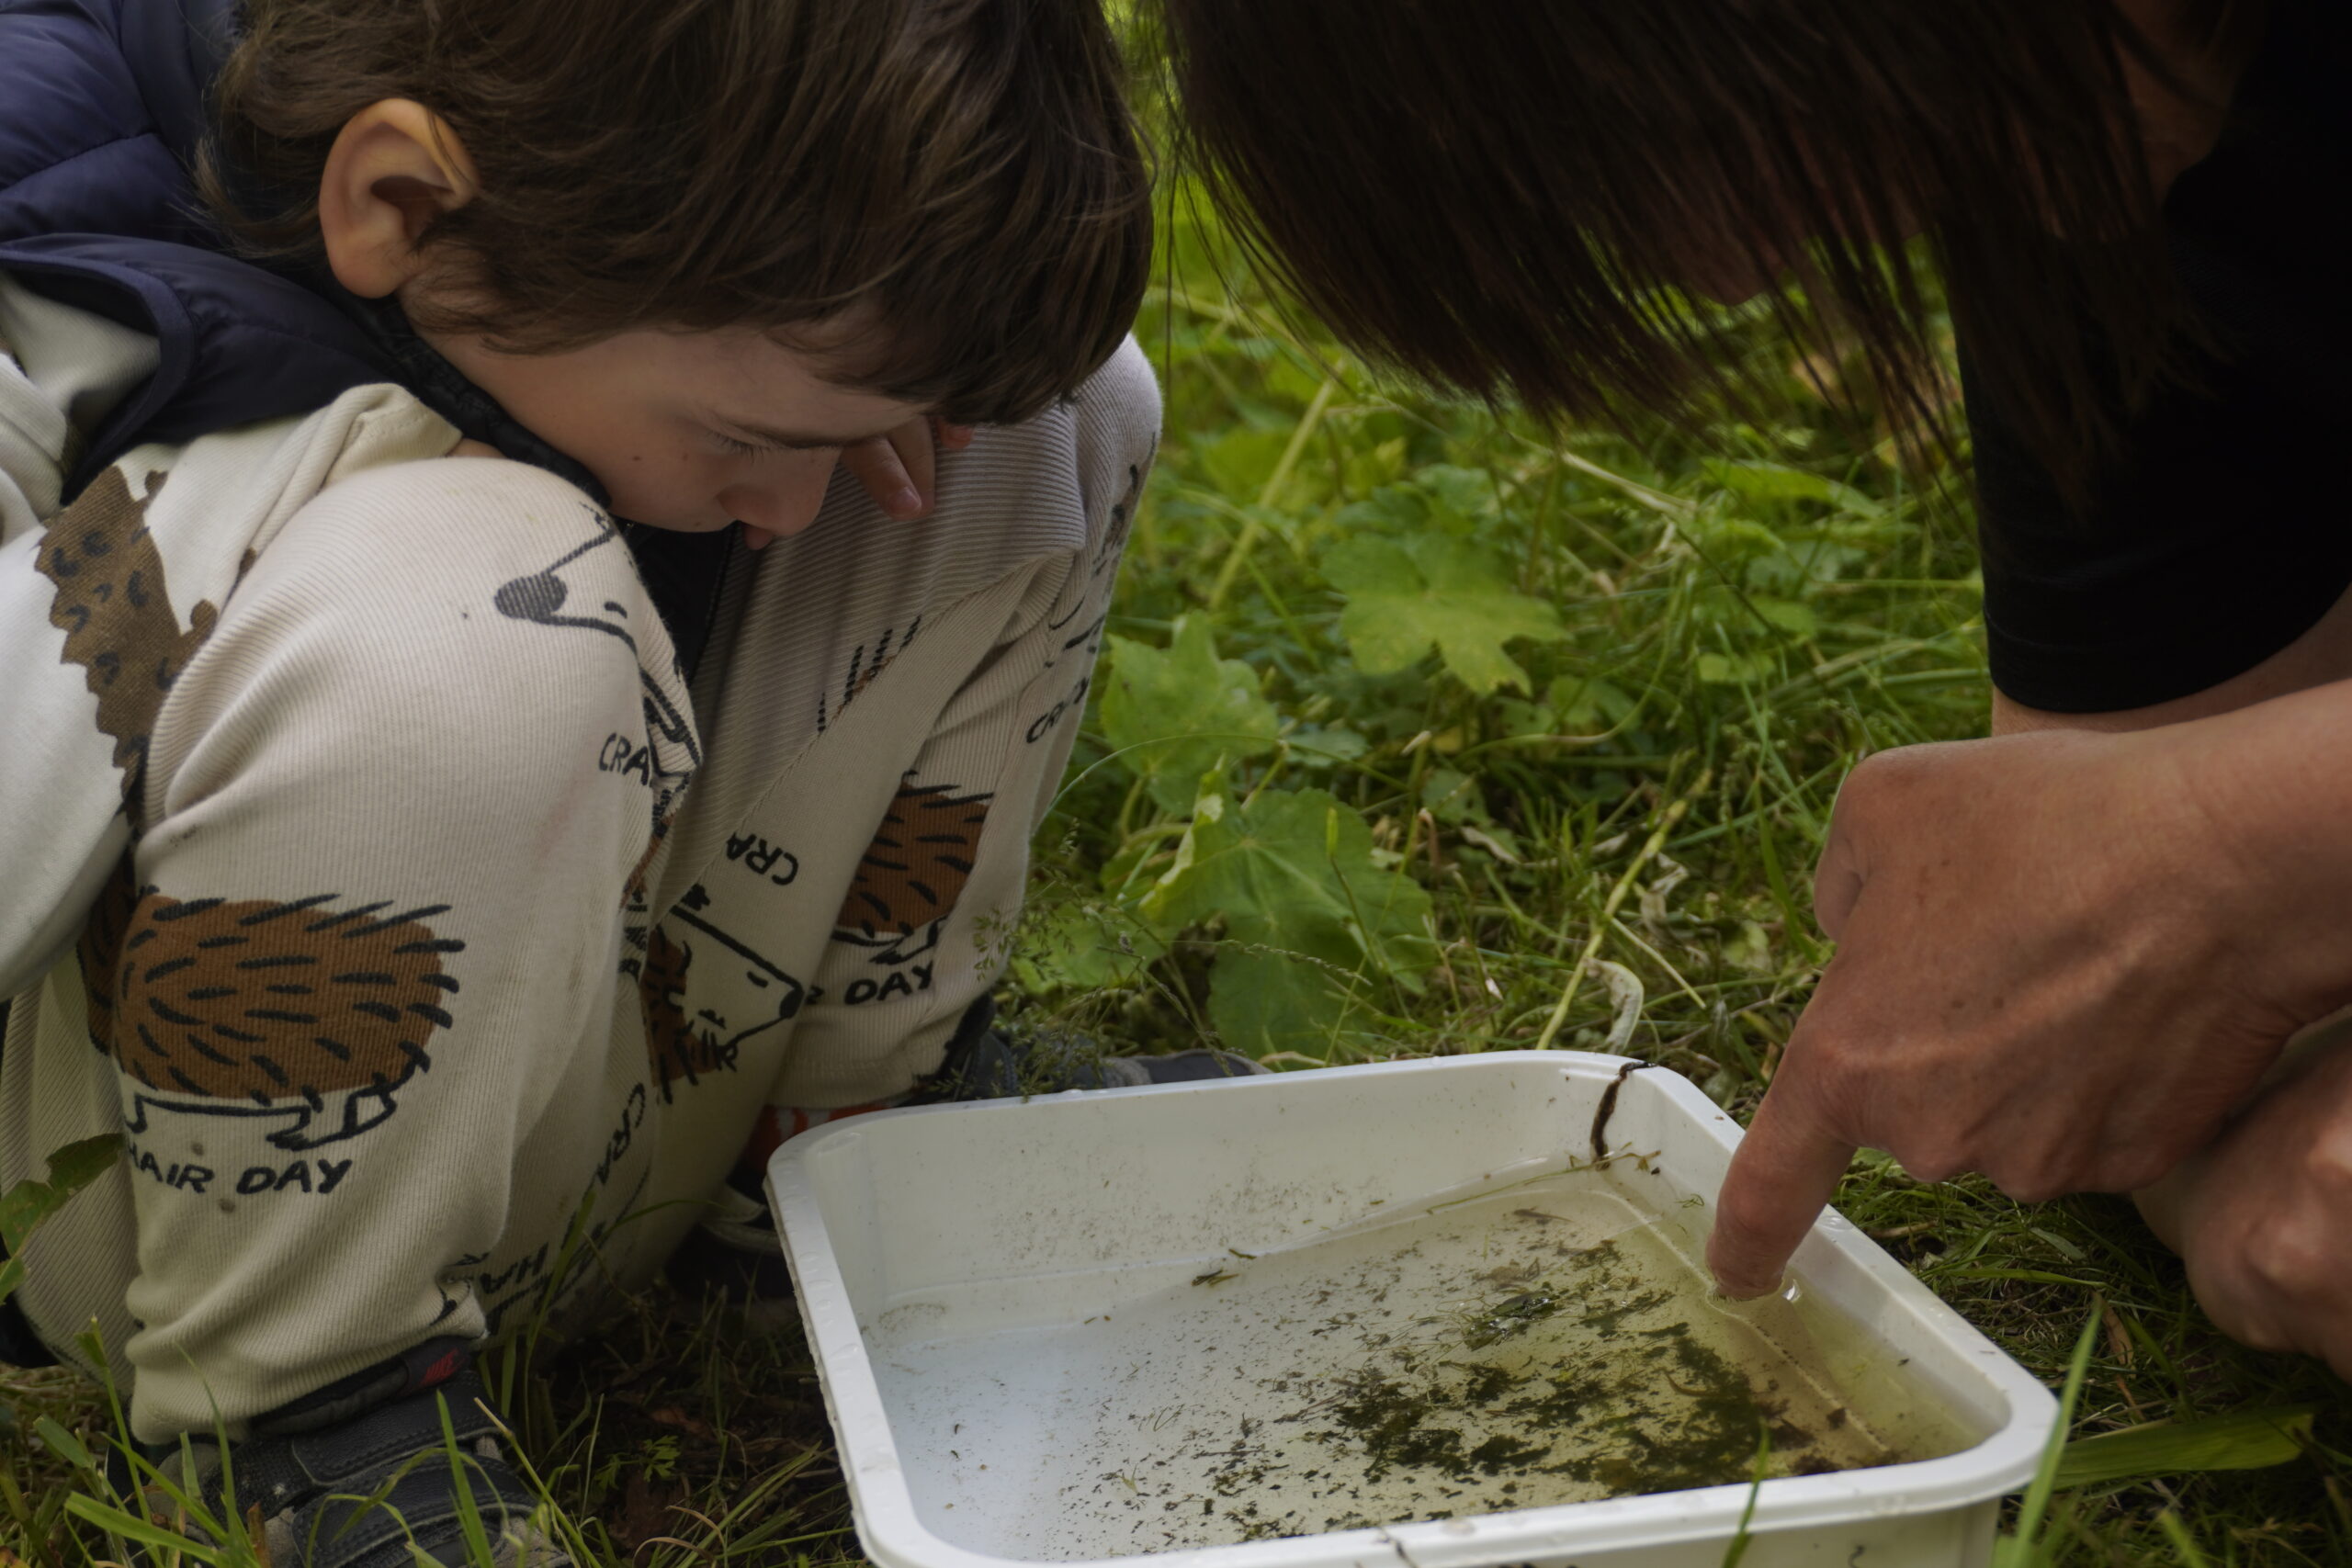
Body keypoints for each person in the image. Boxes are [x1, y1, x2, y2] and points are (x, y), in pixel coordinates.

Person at [0, 0, 1168, 1558]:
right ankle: (298, 1427)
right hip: (133, 1199)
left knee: (1049, 421)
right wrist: (363, 471)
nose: (803, 502)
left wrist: (848, 414)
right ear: (402, 207)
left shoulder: (591, 271)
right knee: (477, 582)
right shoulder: (45, 204)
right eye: (754, 435)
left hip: (617, 1090)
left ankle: (846, 1156)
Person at [1155, 0, 2352, 1376]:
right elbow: (2100, 965)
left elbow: (2175, 865)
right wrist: (2269, 1152)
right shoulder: (2091, 190)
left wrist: (2239, 843)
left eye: (1703, 114)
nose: (1743, 272)